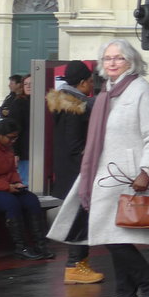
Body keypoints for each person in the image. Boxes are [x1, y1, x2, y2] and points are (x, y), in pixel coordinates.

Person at [48, 39, 149, 297]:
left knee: (111, 237)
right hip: (104, 176)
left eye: (119, 58)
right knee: (113, 237)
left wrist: (147, 171)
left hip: (129, 177)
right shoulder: (107, 94)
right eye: (107, 58)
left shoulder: (141, 91)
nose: (112, 62)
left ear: (132, 61)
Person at [46, 60, 104, 284]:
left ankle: (79, 264)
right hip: (77, 171)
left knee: (81, 216)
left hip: (68, 169)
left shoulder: (64, 103)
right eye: (90, 81)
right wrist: (88, 164)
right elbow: (74, 144)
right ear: (81, 83)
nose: (91, 85)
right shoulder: (76, 108)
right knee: (81, 217)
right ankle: (75, 265)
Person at [0, 118, 54, 260]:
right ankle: (21, 247)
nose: (13, 141)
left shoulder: (7, 148)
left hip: (2, 188)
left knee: (31, 199)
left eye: (15, 138)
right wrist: (8, 187)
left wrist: (17, 183)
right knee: (10, 202)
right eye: (10, 138)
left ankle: (41, 245)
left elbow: (11, 171)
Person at [10, 76, 32, 183]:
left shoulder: (46, 102)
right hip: (24, 149)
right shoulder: (19, 103)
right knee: (25, 180)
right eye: (26, 84)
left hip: (40, 150)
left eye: (31, 83)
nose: (28, 86)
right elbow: (14, 128)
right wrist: (15, 152)